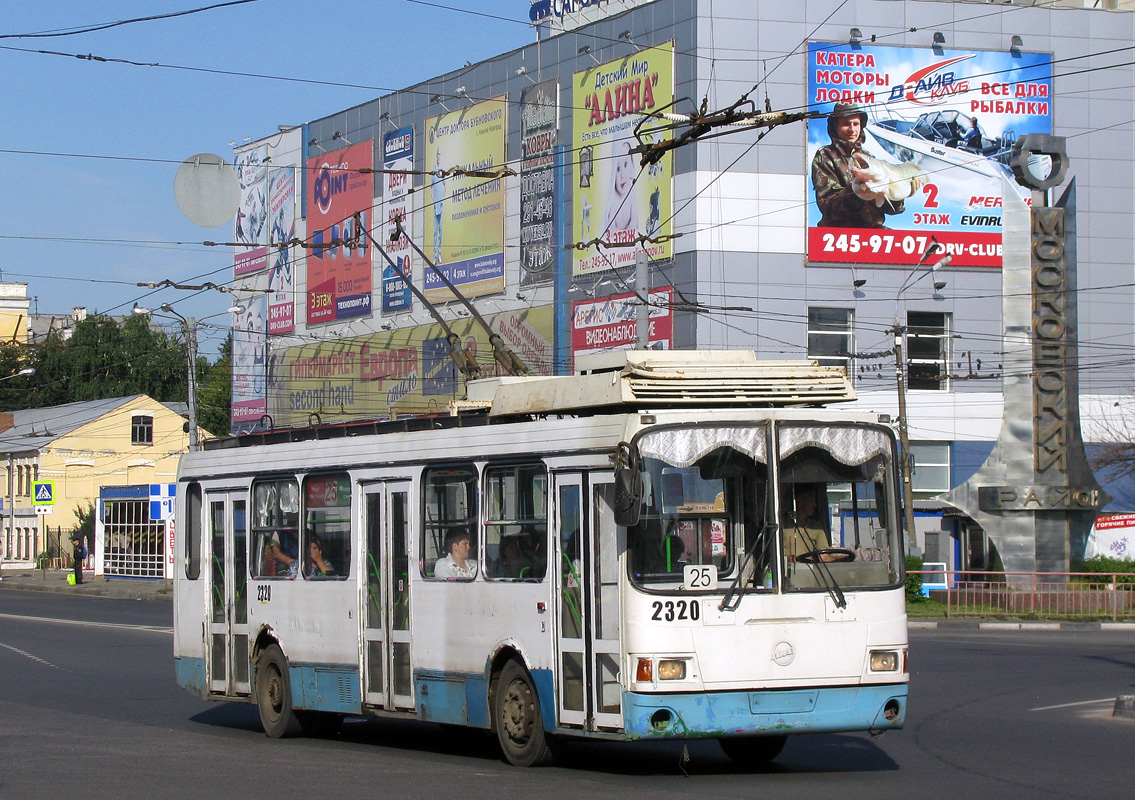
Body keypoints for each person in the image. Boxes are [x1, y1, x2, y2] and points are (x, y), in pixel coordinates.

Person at [811, 103, 905, 228]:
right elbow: (828, 208)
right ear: (835, 126)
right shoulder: (825, 156)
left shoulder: (869, 158)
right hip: (838, 233)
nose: (852, 129)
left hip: (872, 232)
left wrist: (900, 192)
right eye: (846, 123)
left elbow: (892, 209)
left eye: (856, 124)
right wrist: (857, 190)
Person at [600, 140, 641, 240]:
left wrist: (631, 228)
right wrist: (616, 233)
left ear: (632, 166)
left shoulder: (631, 189)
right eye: (618, 169)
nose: (622, 175)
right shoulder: (613, 197)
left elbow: (635, 216)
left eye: (626, 164)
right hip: (617, 242)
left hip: (630, 239)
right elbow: (610, 225)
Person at [782, 484, 832, 562]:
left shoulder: (816, 527)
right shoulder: (782, 524)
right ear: (800, 501)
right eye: (811, 500)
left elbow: (824, 557)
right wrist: (788, 558)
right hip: (786, 571)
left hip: (810, 572)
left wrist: (844, 558)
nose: (815, 505)